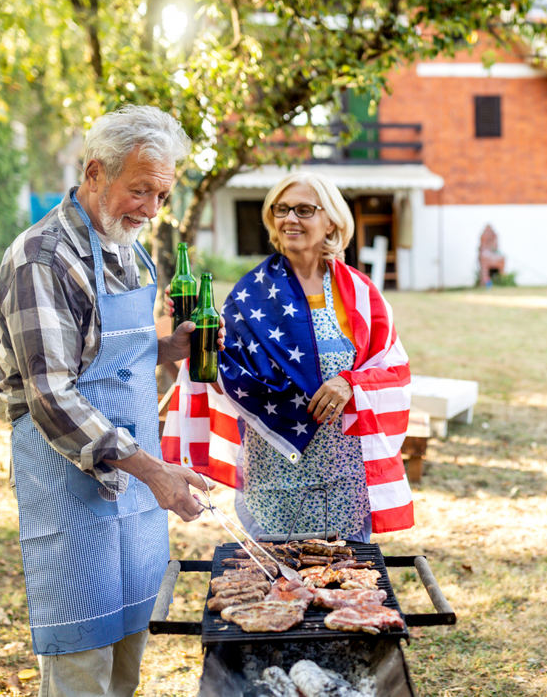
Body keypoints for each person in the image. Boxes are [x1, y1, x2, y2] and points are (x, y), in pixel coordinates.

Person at [0, 105, 225, 697]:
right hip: (72, 487)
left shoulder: (126, 248)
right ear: (95, 173)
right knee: (81, 659)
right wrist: (153, 472)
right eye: (139, 190)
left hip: (139, 488)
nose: (150, 210)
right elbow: (51, 395)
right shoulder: (42, 257)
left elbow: (115, 363)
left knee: (128, 646)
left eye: (161, 195)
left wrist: (167, 349)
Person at [162, 172, 414, 542]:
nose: (290, 219)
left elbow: (394, 372)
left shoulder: (360, 294)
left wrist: (350, 382)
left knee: (345, 588)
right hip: (272, 483)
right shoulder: (249, 296)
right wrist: (192, 333)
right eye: (281, 209)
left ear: (331, 220)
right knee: (278, 595)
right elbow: (221, 375)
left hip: (344, 482)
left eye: (304, 209)